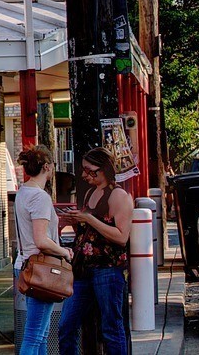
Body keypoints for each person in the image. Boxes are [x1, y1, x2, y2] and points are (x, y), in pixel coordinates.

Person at [59, 148, 134, 355]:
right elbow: (90, 232)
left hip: (107, 269)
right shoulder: (91, 193)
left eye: (88, 170)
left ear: (103, 169)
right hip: (83, 269)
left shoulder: (118, 195)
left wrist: (88, 219)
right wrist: (74, 221)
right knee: (67, 325)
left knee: (111, 327)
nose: (84, 175)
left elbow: (121, 236)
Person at [15, 145, 72, 355]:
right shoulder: (40, 197)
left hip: (27, 265)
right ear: (47, 166)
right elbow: (41, 240)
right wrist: (64, 252)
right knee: (35, 335)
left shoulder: (23, 192)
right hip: (41, 269)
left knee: (41, 334)